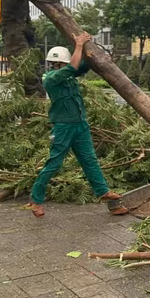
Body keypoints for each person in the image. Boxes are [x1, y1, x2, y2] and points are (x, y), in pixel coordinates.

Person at [29, 33, 127, 218]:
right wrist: (79, 44)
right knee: (54, 163)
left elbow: (83, 65)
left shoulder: (70, 76)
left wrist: (98, 55)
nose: (66, 67)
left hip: (80, 125)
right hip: (63, 127)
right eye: (63, 64)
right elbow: (74, 66)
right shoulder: (50, 79)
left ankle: (103, 192)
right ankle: (36, 200)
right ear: (56, 64)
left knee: (90, 160)